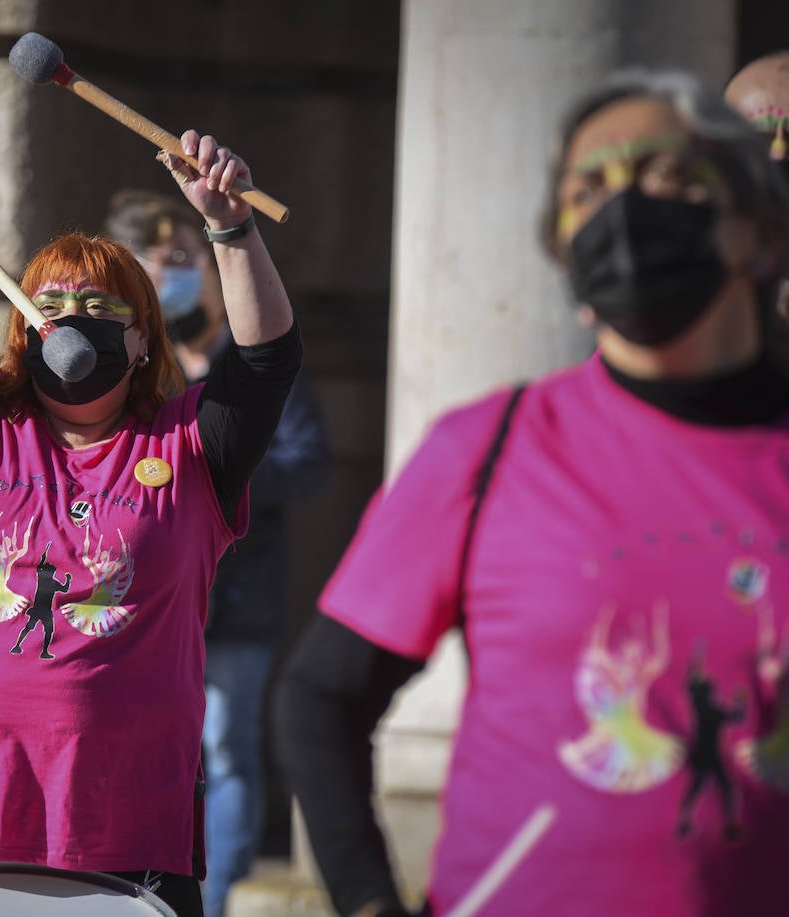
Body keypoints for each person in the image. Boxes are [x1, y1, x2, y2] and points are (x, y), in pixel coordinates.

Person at [275, 69, 789, 917]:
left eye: (667, 175)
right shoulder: (489, 447)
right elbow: (319, 698)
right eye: (588, 189)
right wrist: (370, 904)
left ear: (761, 234)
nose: (625, 210)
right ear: (563, 254)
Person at [0, 131, 298, 917]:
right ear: (22, 326)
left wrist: (230, 227)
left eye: (102, 307)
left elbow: (267, 359)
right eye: (53, 305)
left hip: (124, 833)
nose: (74, 319)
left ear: (142, 340)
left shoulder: (189, 443)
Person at [105, 190, 333, 916]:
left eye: (181, 261)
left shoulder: (252, 356)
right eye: (153, 266)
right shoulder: (136, 366)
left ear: (208, 265)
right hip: (143, 602)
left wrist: (218, 471)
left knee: (227, 754)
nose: (170, 277)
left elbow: (307, 460)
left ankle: (216, 896)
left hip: (237, 604)